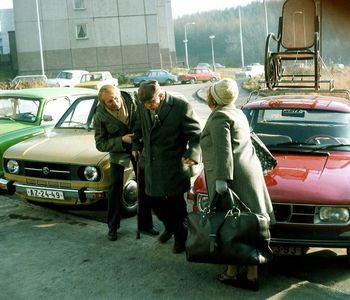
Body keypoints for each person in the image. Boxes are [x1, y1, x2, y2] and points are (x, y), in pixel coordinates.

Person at [199, 78, 275, 291]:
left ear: (213, 97)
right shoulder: (237, 112)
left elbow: (223, 150)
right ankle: (252, 275)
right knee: (249, 225)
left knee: (230, 225)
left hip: (232, 178)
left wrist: (222, 180)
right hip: (248, 173)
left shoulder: (219, 117)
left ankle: (232, 272)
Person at [132, 80, 201, 254]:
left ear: (160, 95)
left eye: (151, 102)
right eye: (145, 104)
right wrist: (135, 144)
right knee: (154, 202)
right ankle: (170, 227)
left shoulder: (180, 107)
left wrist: (193, 154)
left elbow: (196, 134)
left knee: (175, 204)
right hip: (151, 164)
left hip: (173, 164)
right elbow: (139, 126)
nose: (148, 107)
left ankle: (180, 236)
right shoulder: (143, 106)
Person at [94, 84, 159, 241]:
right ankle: (113, 227)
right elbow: (100, 144)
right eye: (109, 101)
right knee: (115, 187)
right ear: (103, 103)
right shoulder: (100, 115)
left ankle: (146, 225)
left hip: (140, 148)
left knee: (144, 186)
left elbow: (142, 122)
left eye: (116, 98)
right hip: (119, 153)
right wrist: (121, 140)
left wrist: (136, 142)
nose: (115, 103)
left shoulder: (133, 100)